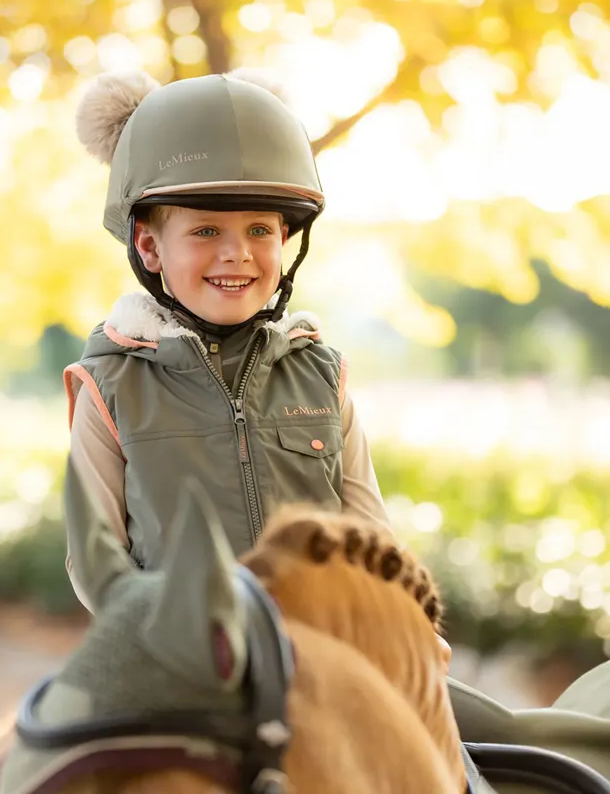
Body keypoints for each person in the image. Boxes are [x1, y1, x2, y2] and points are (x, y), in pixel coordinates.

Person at [62, 67, 395, 612]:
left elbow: (371, 532)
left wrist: (402, 622)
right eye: (206, 230)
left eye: (259, 230)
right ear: (148, 247)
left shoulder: (321, 376)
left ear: (285, 238)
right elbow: (96, 560)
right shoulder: (109, 386)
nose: (236, 252)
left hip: (321, 652)